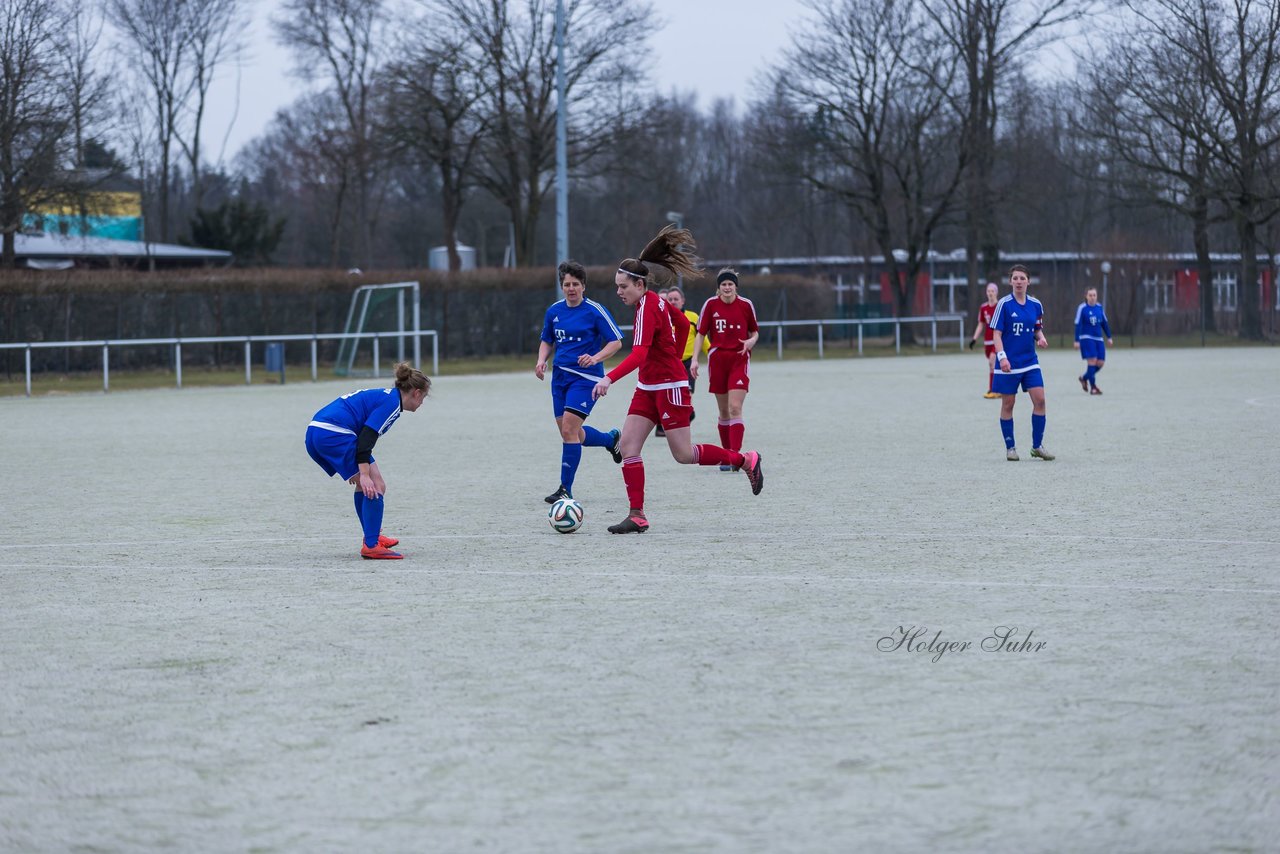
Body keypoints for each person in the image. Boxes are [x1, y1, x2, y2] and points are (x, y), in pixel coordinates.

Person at [592, 225, 764, 534]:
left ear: (639, 284)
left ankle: (745, 460)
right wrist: (671, 349)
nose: (618, 292)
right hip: (648, 387)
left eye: (623, 287)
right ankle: (637, 514)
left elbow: (640, 355)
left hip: (670, 387)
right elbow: (683, 326)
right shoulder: (654, 303)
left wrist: (609, 378)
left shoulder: (647, 307)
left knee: (683, 454)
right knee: (629, 447)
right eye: (616, 286)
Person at [304, 362, 431, 559]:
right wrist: (363, 474)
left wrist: (364, 474)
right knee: (374, 485)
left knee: (374, 484)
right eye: (423, 396)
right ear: (416, 392)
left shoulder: (388, 397)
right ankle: (371, 545)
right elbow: (366, 440)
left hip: (318, 431)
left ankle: (373, 537)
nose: (422, 402)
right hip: (333, 434)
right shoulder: (392, 404)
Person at [535, 260, 624, 503]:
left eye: (575, 284)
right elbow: (547, 340)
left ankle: (565, 489)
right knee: (571, 434)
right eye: (566, 284)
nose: (571, 288)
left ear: (583, 286)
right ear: (561, 287)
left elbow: (616, 342)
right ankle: (610, 439)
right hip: (560, 378)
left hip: (586, 380)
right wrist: (542, 360)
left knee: (569, 431)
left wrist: (595, 357)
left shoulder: (594, 311)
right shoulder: (554, 311)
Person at [690, 268, 759, 470]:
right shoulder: (710, 305)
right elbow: (701, 334)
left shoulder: (746, 305)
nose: (727, 288)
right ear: (718, 288)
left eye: (730, 284)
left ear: (736, 287)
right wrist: (694, 360)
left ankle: (736, 457)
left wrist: (751, 342)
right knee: (723, 411)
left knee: (735, 407)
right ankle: (727, 453)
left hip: (739, 358)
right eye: (723, 285)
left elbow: (755, 332)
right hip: (717, 360)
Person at [990, 264, 1054, 461]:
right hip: (1008, 363)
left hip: (1030, 361)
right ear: (1010, 281)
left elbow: (1036, 328)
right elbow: (997, 334)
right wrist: (1002, 358)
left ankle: (1037, 446)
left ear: (1028, 281)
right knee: (1009, 403)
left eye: (1022, 278)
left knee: (1040, 400)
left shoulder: (1036, 305)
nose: (1018, 281)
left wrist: (1040, 338)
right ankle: (1010, 448)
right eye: (1015, 278)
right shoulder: (1004, 304)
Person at [659, 285, 707, 435]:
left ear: (683, 301)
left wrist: (712, 353)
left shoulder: (693, 317)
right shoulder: (662, 317)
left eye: (676, 299)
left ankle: (682, 424)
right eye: (670, 299)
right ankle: (664, 424)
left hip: (687, 363)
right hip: (667, 364)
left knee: (686, 396)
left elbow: (702, 339)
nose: (673, 302)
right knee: (666, 396)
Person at [1073, 286, 1113, 395]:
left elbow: (1104, 323)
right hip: (1087, 338)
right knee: (1092, 362)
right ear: (1086, 296)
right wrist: (1076, 340)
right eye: (1090, 295)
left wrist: (1109, 337)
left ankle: (1084, 378)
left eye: (1094, 295)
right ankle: (1093, 388)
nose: (1092, 297)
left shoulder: (1099, 307)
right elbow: (1078, 324)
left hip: (1099, 339)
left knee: (1100, 363)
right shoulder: (1082, 308)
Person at [969, 282, 1001, 398]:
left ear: (996, 292)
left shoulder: (1000, 306)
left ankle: (993, 389)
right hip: (987, 340)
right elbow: (981, 324)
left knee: (992, 361)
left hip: (997, 339)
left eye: (993, 291)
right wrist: (974, 339)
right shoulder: (983, 307)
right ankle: (998, 388)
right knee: (993, 365)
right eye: (988, 291)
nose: (990, 293)